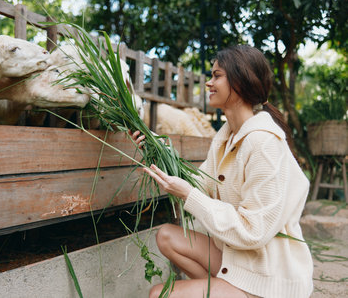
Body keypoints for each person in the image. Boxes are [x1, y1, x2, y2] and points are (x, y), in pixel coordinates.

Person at [131, 45, 313, 298]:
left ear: (240, 81)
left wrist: (188, 196)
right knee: (166, 236)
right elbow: (200, 182)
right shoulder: (226, 135)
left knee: (159, 294)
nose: (208, 83)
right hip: (241, 260)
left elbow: (253, 233)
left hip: (269, 274)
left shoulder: (263, 143)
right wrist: (155, 146)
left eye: (217, 75)